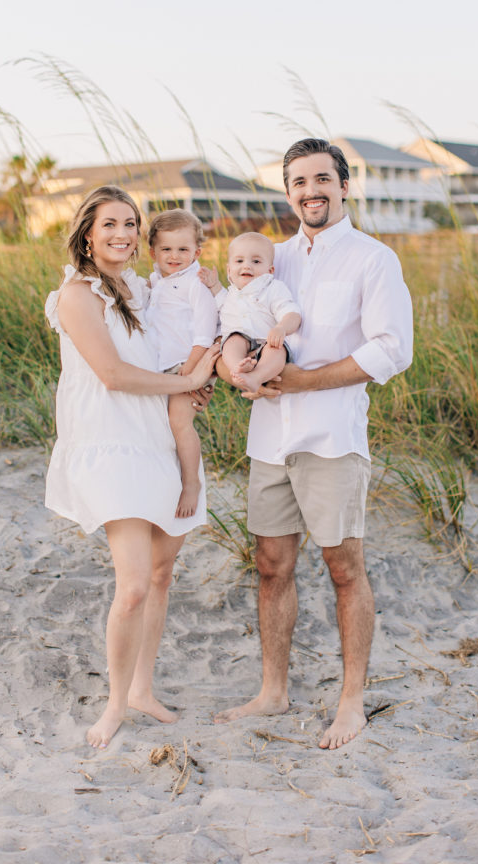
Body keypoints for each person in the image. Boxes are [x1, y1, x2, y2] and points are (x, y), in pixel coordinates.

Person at [214, 139, 413, 750]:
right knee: (272, 567)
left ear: (344, 186)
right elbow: (232, 324)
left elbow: (392, 348)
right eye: (299, 182)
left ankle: (351, 701)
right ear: (289, 192)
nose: (311, 191)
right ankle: (274, 691)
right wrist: (231, 371)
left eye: (322, 179)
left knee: (343, 568)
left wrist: (305, 380)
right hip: (270, 440)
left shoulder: (373, 259)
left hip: (332, 438)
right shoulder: (267, 258)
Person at [44, 186, 218, 750]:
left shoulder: (143, 287)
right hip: (111, 444)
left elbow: (187, 314)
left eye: (129, 224)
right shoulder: (77, 294)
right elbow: (113, 375)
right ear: (87, 233)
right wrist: (186, 383)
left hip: (157, 439)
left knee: (163, 572)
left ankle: (143, 688)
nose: (121, 233)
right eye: (109, 224)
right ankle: (115, 704)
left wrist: (212, 290)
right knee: (135, 585)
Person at [145, 209, 219, 518]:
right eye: (166, 249)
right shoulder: (156, 281)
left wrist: (190, 374)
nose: (174, 256)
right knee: (161, 426)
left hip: (189, 364)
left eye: (183, 249)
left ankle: (191, 484)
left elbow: (204, 334)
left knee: (179, 422)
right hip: (165, 368)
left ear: (197, 252)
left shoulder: (194, 284)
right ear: (153, 251)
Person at [199, 232, 301, 394]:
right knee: (232, 342)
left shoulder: (273, 288)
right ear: (229, 270)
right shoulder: (230, 294)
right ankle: (237, 368)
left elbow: (292, 313)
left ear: (270, 270)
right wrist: (213, 285)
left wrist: (282, 327)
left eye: (256, 261)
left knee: (277, 350)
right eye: (239, 261)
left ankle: (256, 377)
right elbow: (220, 300)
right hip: (241, 343)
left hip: (266, 342)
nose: (247, 266)